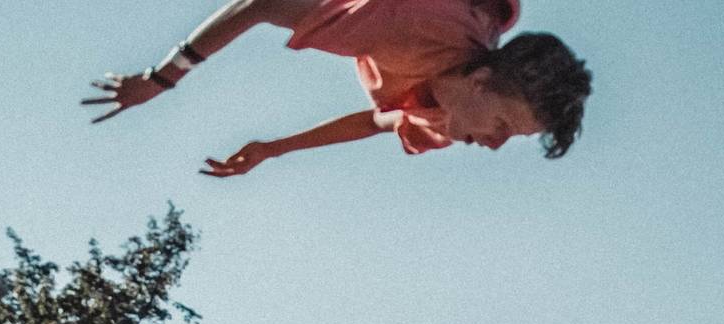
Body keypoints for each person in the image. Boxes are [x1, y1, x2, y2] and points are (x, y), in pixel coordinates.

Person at [85, 0, 591, 172]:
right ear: (480, 80)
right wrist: (161, 78)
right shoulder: (412, 31)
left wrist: (274, 148)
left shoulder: (451, 118)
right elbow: (261, 4)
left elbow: (377, 122)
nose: (495, 144)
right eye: (503, 125)